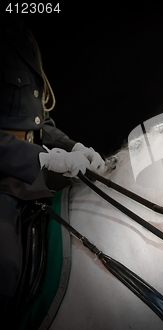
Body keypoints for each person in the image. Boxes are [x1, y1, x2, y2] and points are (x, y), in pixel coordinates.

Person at [0, 14, 104, 324]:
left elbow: (37, 122)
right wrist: (39, 159)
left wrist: (74, 147)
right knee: (4, 262)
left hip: (29, 171)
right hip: (6, 175)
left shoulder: (21, 35)